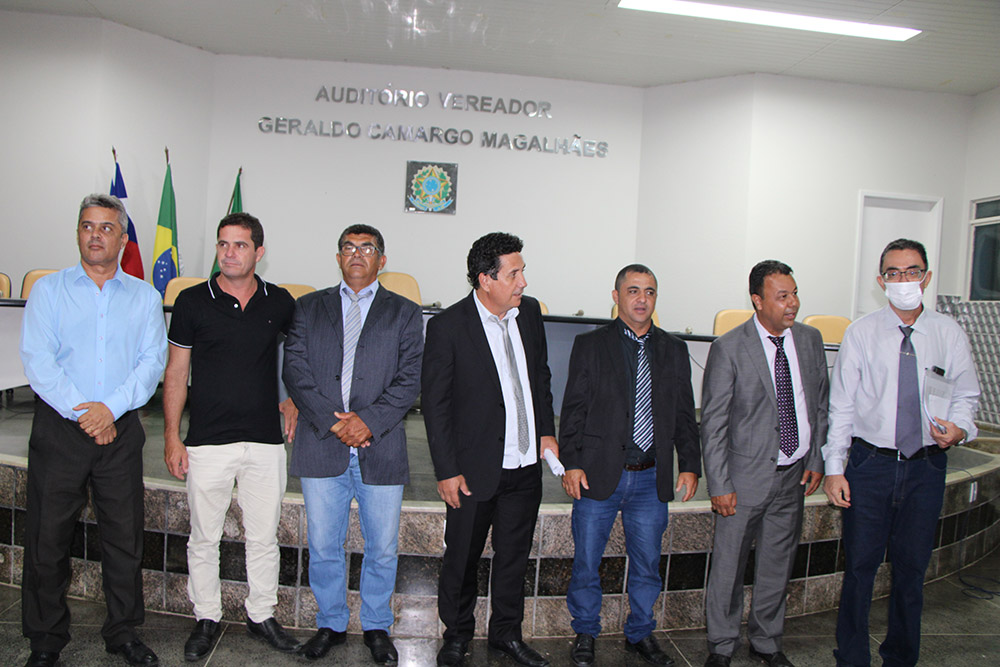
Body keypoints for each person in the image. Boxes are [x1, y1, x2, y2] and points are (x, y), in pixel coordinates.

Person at [19, 194, 167, 667]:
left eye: (106, 227)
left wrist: (110, 410)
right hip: (59, 429)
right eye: (87, 226)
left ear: (123, 239)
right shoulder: (49, 290)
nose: (95, 235)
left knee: (124, 540)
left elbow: (151, 364)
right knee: (46, 539)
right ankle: (45, 639)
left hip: (119, 432)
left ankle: (123, 633)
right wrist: (87, 413)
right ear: (78, 233)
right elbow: (38, 360)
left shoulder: (145, 297)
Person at [823, 239, 979, 667]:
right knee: (860, 569)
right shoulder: (861, 333)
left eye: (912, 271)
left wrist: (960, 428)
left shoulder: (948, 333)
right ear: (881, 281)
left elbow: (966, 394)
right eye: (894, 273)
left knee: (912, 571)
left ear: (926, 277)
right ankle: (852, 657)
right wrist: (835, 468)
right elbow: (842, 406)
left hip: (926, 467)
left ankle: (901, 657)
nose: (903, 280)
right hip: (870, 465)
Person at [162, 212, 300, 661]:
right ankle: (206, 616)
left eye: (240, 245)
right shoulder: (191, 301)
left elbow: (298, 359)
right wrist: (171, 436)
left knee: (264, 537)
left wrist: (292, 398)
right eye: (223, 244)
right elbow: (176, 371)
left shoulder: (280, 301)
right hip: (207, 441)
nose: (229, 252)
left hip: (264, 441)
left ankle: (262, 615)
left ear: (259, 252)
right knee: (204, 537)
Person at [283, 224, 423, 664]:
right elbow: (295, 370)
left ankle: (377, 625)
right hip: (321, 442)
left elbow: (411, 378)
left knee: (382, 547)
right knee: (325, 546)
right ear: (338, 257)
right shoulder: (308, 307)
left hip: (380, 445)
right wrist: (334, 423)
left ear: (382, 259)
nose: (357, 254)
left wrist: (368, 422)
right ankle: (331, 623)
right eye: (348, 247)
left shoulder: (404, 312)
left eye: (367, 248)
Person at [422, 232, 557, 667]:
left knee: (513, 559)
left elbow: (540, 377)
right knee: (461, 558)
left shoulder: (529, 313)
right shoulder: (448, 326)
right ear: (485, 279)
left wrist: (547, 431)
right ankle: (457, 635)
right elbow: (436, 405)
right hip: (473, 468)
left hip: (525, 465)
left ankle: (506, 635)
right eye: (513, 274)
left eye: (522, 272)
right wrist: (446, 470)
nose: (523, 282)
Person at [560, 264, 700, 667]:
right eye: (634, 290)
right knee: (587, 562)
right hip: (598, 474)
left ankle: (640, 632)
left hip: (650, 477)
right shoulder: (591, 345)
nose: (642, 299)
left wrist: (690, 464)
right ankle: (586, 631)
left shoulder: (674, 349)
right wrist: (572, 463)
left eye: (650, 291)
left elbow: (685, 413)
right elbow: (573, 410)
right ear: (616, 296)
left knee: (647, 565)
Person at [700, 261, 829, 667]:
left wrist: (816, 456)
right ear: (757, 300)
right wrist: (719, 483)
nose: (793, 304)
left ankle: (767, 641)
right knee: (728, 566)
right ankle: (722, 644)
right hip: (743, 479)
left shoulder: (809, 340)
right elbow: (714, 423)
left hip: (793, 476)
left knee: (778, 563)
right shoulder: (730, 347)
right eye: (782, 296)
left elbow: (819, 405)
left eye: (794, 294)